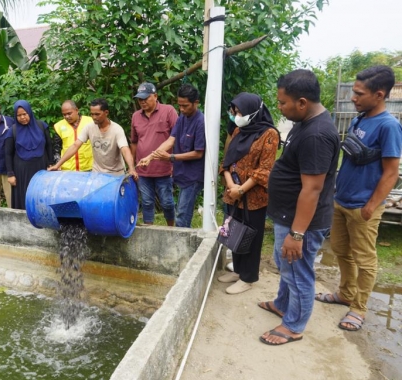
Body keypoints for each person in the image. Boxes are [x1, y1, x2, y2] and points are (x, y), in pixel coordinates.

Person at [315, 65, 402, 332]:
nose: (353, 97)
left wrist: (372, 205)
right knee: (341, 250)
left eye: (358, 93)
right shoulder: (359, 118)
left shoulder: (389, 127)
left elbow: (391, 173)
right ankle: (345, 293)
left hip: (364, 206)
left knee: (365, 259)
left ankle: (359, 308)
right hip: (342, 201)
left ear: (379, 95)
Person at [259, 69, 340, 345]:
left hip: (301, 221)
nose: (280, 108)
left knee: (298, 272)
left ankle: (294, 325)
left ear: (302, 102)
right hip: (288, 214)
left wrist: (297, 234)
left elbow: (313, 188)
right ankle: (283, 304)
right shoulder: (305, 122)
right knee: (286, 266)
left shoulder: (316, 135)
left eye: (283, 103)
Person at [215, 92, 279, 294]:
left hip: (254, 197)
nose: (236, 116)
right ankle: (238, 270)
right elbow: (226, 163)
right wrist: (231, 187)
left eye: (240, 112)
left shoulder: (269, 134)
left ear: (253, 112)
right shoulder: (237, 132)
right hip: (233, 194)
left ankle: (248, 277)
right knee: (234, 232)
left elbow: (264, 169)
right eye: (234, 112)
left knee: (252, 236)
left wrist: (241, 189)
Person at [137, 84, 205, 228]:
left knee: (181, 216)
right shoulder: (182, 117)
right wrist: (151, 157)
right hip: (182, 174)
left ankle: (182, 247)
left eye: (185, 106)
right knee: (180, 212)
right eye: (179, 105)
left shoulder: (200, 122)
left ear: (196, 103)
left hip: (193, 176)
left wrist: (171, 158)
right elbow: (171, 139)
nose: (181, 109)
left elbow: (198, 153)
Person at [49, 98, 138, 179]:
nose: (94, 117)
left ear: (106, 112)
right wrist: (57, 165)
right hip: (96, 174)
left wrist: (131, 168)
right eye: (92, 114)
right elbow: (75, 145)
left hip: (116, 175)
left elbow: (125, 150)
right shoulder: (89, 127)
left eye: (97, 114)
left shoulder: (116, 129)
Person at [131, 82, 178, 226]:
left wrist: (176, 163)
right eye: (140, 99)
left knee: (167, 202)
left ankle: (171, 229)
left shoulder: (168, 111)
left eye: (146, 98)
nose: (142, 101)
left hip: (164, 168)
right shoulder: (136, 116)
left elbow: (177, 138)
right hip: (143, 169)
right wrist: (132, 165)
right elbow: (134, 142)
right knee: (146, 202)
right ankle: (149, 229)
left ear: (155, 96)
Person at [5, 100, 54, 210]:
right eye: (19, 115)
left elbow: (49, 146)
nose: (22, 117)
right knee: (24, 196)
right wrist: (10, 174)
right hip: (22, 171)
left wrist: (51, 163)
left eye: (24, 114)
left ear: (29, 112)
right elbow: (8, 154)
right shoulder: (12, 131)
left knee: (41, 196)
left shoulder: (42, 126)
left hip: (41, 168)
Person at [52, 100, 94, 171]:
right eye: (64, 114)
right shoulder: (59, 126)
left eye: (69, 113)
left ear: (76, 110)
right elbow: (57, 149)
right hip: (67, 169)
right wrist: (58, 164)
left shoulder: (90, 122)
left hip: (88, 168)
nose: (67, 116)